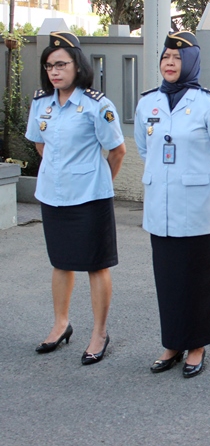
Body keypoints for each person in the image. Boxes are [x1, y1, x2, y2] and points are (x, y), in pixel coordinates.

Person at [134, 31, 210, 379]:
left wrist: (206, 186)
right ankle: (172, 342)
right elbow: (145, 150)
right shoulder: (148, 103)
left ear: (191, 62)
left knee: (197, 278)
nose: (169, 63)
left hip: (196, 208)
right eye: (165, 57)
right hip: (159, 207)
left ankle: (197, 345)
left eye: (177, 58)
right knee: (167, 278)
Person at [25, 31, 126, 365]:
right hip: (53, 195)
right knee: (61, 262)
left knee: (95, 265)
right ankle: (61, 324)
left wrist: (99, 183)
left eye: (62, 65)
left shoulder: (97, 105)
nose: (55, 71)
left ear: (77, 66)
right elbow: (41, 145)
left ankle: (99, 332)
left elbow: (117, 150)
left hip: (90, 198)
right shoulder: (41, 103)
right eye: (50, 65)